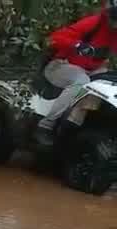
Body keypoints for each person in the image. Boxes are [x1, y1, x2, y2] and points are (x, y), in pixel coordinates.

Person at [37, 0, 117, 142]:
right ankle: (46, 125)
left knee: (105, 84)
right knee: (82, 81)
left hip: (90, 71)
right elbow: (54, 38)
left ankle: (73, 126)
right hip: (60, 66)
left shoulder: (114, 33)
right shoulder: (95, 22)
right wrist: (77, 45)